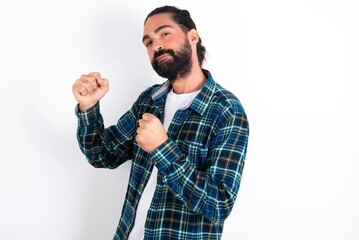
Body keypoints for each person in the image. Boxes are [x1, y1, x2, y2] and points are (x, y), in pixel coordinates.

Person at [72, 5, 249, 240]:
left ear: (192, 36)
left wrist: (162, 148)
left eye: (164, 33)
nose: (156, 45)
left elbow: (219, 205)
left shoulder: (226, 110)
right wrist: (88, 107)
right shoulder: (150, 99)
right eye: (148, 42)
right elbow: (102, 154)